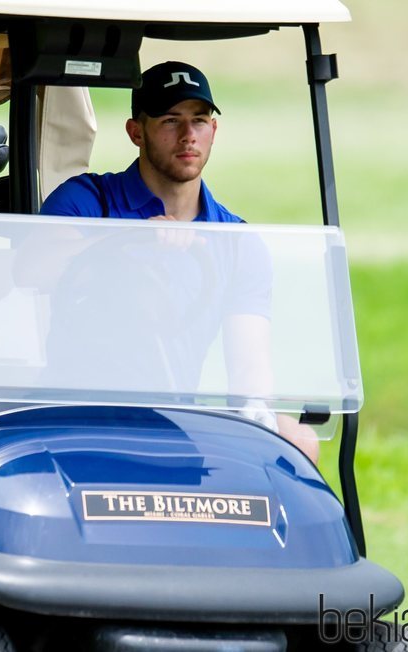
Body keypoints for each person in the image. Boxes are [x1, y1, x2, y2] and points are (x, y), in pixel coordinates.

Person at [40, 61, 319, 463]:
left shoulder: (234, 239)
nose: (188, 136)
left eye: (200, 121)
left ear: (214, 131)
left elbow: (249, 366)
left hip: (174, 415)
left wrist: (260, 414)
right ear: (137, 131)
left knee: (299, 441)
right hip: (75, 410)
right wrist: (123, 245)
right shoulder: (88, 201)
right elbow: (32, 268)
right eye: (171, 120)